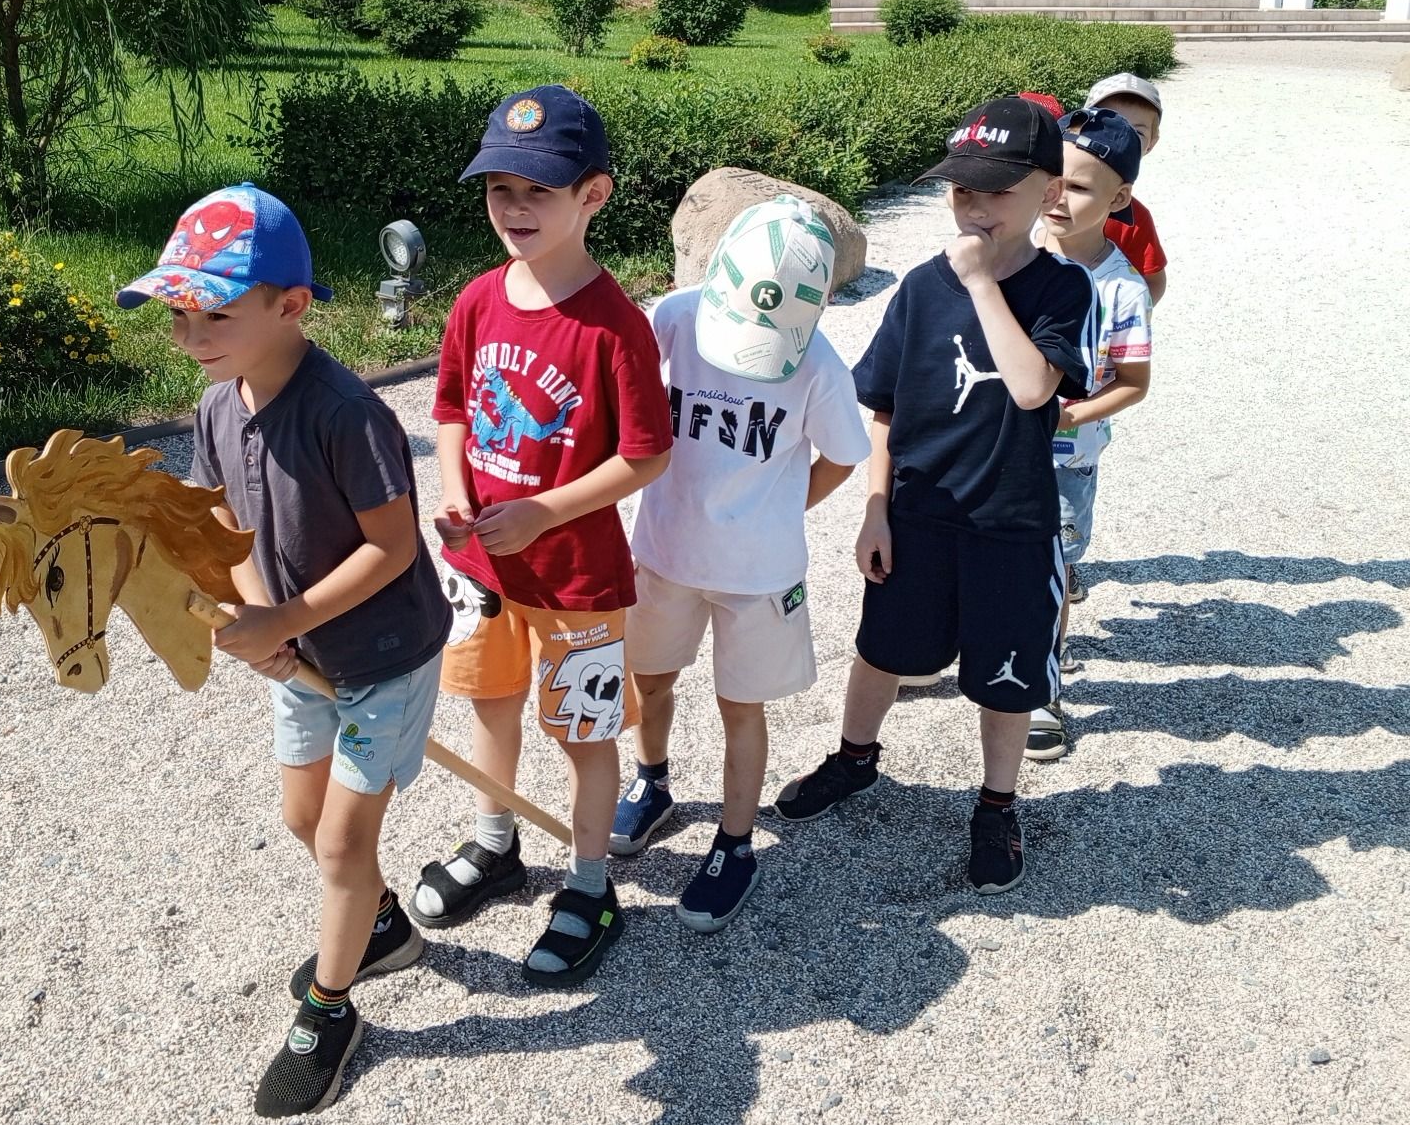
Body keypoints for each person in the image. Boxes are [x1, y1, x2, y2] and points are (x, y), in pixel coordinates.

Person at [117, 183, 451, 1117]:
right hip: (298, 649)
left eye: (214, 314)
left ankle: (330, 1011)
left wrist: (288, 616)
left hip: (384, 650)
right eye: (179, 316)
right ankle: (381, 928)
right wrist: (261, 613)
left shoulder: (347, 414)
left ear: (291, 306)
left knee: (345, 838)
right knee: (306, 821)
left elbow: (395, 547)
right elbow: (222, 512)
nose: (190, 337)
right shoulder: (219, 401)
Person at [773, 98, 1097, 895]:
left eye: (995, 191)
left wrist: (985, 285)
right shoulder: (920, 288)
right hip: (918, 510)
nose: (974, 207)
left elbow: (1031, 390)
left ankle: (996, 803)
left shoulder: (1063, 290)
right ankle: (855, 759)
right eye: (960, 192)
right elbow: (883, 406)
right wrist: (875, 505)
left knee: (1006, 678)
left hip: (1011, 524)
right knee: (883, 648)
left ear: (1049, 192)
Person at [412, 85, 673, 988]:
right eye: (499, 191)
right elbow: (450, 408)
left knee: (584, 734)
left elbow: (645, 457)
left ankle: (593, 882)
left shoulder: (617, 326)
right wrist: (453, 495)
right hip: (479, 568)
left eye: (539, 191)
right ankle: (495, 844)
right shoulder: (478, 300)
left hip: (576, 579)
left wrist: (543, 512)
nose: (515, 210)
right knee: (490, 706)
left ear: (592, 196)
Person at [614, 197, 871, 930]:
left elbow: (846, 457)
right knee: (649, 677)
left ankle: (735, 842)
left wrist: (784, 508)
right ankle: (653, 780)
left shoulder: (817, 362)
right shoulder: (675, 316)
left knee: (741, 706)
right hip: (664, 550)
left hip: (758, 572)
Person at [1027, 107, 1152, 760]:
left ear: (1120, 196)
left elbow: (1134, 381)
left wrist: (1070, 415)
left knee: (1050, 573)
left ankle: (1043, 689)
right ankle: (935, 652)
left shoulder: (1122, 291)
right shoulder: (1010, 257)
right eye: (1053, 179)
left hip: (1067, 458)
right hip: (992, 449)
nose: (1057, 196)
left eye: (1080, 186)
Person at [1082, 72, 1168, 306]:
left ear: (1151, 143)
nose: (1121, 136)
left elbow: (1154, 279)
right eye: (1109, 121)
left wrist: (1129, 318)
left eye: (1138, 132)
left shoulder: (1135, 218)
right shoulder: (1050, 191)